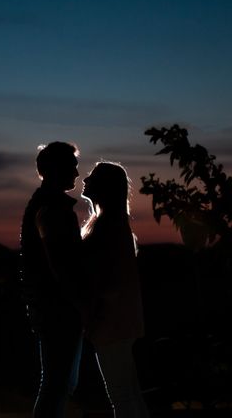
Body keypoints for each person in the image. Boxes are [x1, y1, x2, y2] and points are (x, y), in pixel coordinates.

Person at [19, 142, 85, 418]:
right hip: (58, 309)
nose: (77, 171)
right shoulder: (51, 208)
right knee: (57, 384)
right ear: (54, 169)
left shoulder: (47, 204)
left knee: (59, 384)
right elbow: (61, 265)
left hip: (53, 307)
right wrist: (81, 303)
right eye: (72, 165)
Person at [80, 162, 150, 418]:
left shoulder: (106, 227)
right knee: (129, 392)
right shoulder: (112, 224)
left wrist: (93, 317)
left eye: (93, 176)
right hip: (121, 321)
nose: (85, 179)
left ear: (105, 187)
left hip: (112, 322)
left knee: (120, 394)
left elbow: (106, 280)